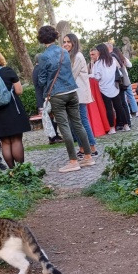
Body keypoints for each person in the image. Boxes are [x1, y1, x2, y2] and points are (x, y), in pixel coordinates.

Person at [37, 26, 96, 173]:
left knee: (64, 127)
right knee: (78, 124)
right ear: (55, 36)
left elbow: (42, 79)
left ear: (41, 39)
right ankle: (88, 156)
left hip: (58, 94)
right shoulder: (64, 51)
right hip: (72, 91)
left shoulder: (44, 57)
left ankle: (73, 161)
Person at [0, 47, 31, 169]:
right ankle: (21, 170)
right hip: (12, 109)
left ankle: (12, 170)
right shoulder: (7, 71)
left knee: (5, 142)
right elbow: (19, 91)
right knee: (16, 140)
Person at [62, 33, 98, 158]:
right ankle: (83, 148)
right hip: (74, 94)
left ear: (74, 42)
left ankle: (92, 147)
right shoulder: (70, 56)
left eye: (68, 41)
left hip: (79, 94)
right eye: (64, 42)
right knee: (74, 123)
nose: (66, 44)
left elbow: (72, 75)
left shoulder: (78, 56)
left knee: (82, 121)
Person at [90, 44, 131, 134]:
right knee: (119, 107)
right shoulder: (112, 60)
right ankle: (126, 125)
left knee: (109, 109)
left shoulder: (98, 63)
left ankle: (112, 128)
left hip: (104, 88)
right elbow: (119, 68)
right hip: (115, 86)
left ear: (100, 51)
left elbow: (97, 77)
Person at [32, 53, 63, 145]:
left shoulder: (35, 69)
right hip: (44, 97)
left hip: (41, 97)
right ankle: (53, 137)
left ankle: (54, 136)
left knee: (50, 117)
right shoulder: (40, 70)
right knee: (50, 117)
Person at [105, 43, 132, 129]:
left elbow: (117, 68)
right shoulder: (114, 55)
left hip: (119, 82)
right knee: (122, 103)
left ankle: (125, 122)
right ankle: (124, 122)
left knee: (121, 103)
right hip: (121, 81)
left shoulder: (112, 56)